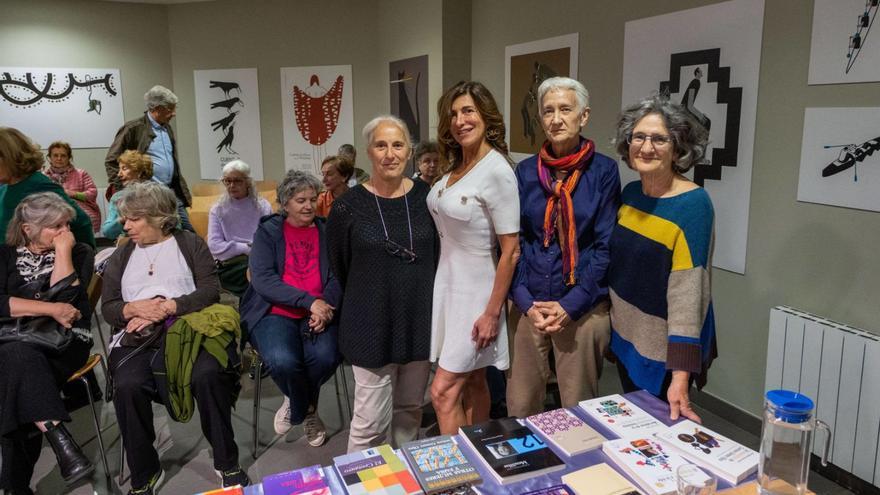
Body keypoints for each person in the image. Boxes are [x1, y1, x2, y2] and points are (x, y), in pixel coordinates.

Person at [101, 182, 248, 494]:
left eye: (133, 218)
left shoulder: (190, 244)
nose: (125, 225)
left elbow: (210, 291)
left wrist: (170, 306)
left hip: (189, 330)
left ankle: (227, 461)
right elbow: (109, 309)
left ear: (158, 216)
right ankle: (145, 472)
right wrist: (131, 308)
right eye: (125, 219)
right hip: (137, 338)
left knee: (208, 374)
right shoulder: (122, 254)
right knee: (127, 385)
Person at [508, 77, 620, 417]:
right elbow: (516, 241)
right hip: (529, 301)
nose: (556, 119)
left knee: (578, 408)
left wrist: (570, 305)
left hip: (581, 305)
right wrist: (526, 301)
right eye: (548, 111)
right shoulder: (526, 172)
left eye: (565, 110)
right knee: (522, 404)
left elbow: (605, 246)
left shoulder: (603, 171)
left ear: (583, 116)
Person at [327, 115, 438, 452]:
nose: (389, 153)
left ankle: (403, 480)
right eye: (381, 145)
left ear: (409, 152)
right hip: (369, 324)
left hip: (418, 320)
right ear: (368, 152)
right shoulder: (347, 207)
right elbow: (339, 264)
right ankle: (361, 485)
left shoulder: (427, 198)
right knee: (370, 423)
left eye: (397, 145)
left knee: (410, 412)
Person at [608, 95, 715, 422]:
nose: (646, 147)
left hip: (665, 349)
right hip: (628, 338)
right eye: (638, 137)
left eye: (659, 138)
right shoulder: (631, 195)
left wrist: (680, 376)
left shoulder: (693, 206)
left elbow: (689, 293)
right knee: (634, 429)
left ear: (679, 147)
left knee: (660, 436)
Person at [428, 81, 520, 435]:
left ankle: (454, 480)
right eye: (453, 113)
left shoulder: (497, 170)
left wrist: (492, 313)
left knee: (442, 391)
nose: (460, 120)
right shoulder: (455, 167)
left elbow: (510, 250)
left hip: (478, 294)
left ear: (486, 116)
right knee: (474, 381)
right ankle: (478, 461)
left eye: (468, 111)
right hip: (449, 287)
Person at [0, 193, 95, 493]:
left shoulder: (79, 251)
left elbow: (69, 301)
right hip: (17, 343)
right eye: (56, 226)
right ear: (28, 229)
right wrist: (50, 309)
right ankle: (57, 435)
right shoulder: (4, 256)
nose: (65, 231)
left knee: (12, 375)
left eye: (67, 223)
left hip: (65, 342)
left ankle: (15, 488)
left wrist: (63, 251)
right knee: (18, 365)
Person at [239, 170, 341, 447]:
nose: (308, 206)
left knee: (326, 357)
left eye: (312, 199)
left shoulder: (326, 230)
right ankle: (305, 409)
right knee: (282, 360)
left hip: (320, 311)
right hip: (274, 311)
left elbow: (337, 276)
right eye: (300, 200)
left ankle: (295, 398)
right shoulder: (268, 231)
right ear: (285, 204)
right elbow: (263, 279)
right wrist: (310, 302)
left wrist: (325, 307)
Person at [104, 85, 194, 232]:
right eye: (170, 109)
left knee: (187, 233)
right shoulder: (133, 128)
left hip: (169, 192)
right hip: (146, 195)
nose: (174, 113)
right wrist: (125, 189)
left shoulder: (167, 128)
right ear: (157, 108)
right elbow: (111, 160)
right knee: (160, 233)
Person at [0, 128, 95, 248]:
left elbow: (80, 222)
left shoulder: (37, 184)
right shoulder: (4, 188)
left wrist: (84, 258)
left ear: (10, 157)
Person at [207, 160, 272, 297]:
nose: (232, 185)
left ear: (247, 182)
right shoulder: (218, 209)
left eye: (237, 181)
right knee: (255, 277)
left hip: (258, 259)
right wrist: (245, 248)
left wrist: (253, 251)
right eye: (227, 181)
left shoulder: (263, 206)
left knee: (260, 271)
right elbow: (214, 246)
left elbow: (269, 239)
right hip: (231, 265)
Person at [43, 141, 101, 232]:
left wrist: (72, 193)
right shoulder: (44, 176)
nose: (59, 158)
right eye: (55, 155)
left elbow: (92, 193)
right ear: (49, 157)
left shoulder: (81, 173)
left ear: (69, 157)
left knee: (82, 219)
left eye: (63, 155)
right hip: (52, 210)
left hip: (80, 210)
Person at [101, 150, 153, 240]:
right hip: (128, 244)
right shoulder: (117, 198)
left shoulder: (157, 195)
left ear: (139, 172)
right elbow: (107, 232)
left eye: (124, 169)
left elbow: (174, 224)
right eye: (119, 169)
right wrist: (122, 220)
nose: (119, 174)